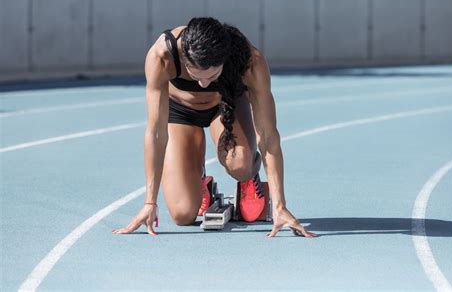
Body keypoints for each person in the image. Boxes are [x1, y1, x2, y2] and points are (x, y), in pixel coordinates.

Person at [112, 17, 317, 238]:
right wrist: (149, 202)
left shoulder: (251, 61)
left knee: (240, 165)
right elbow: (155, 132)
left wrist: (280, 205)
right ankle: (202, 181)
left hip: (226, 105)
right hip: (180, 112)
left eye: (212, 76)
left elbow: (268, 134)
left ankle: (249, 177)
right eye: (195, 76)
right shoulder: (162, 56)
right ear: (185, 57)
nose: (203, 85)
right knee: (182, 214)